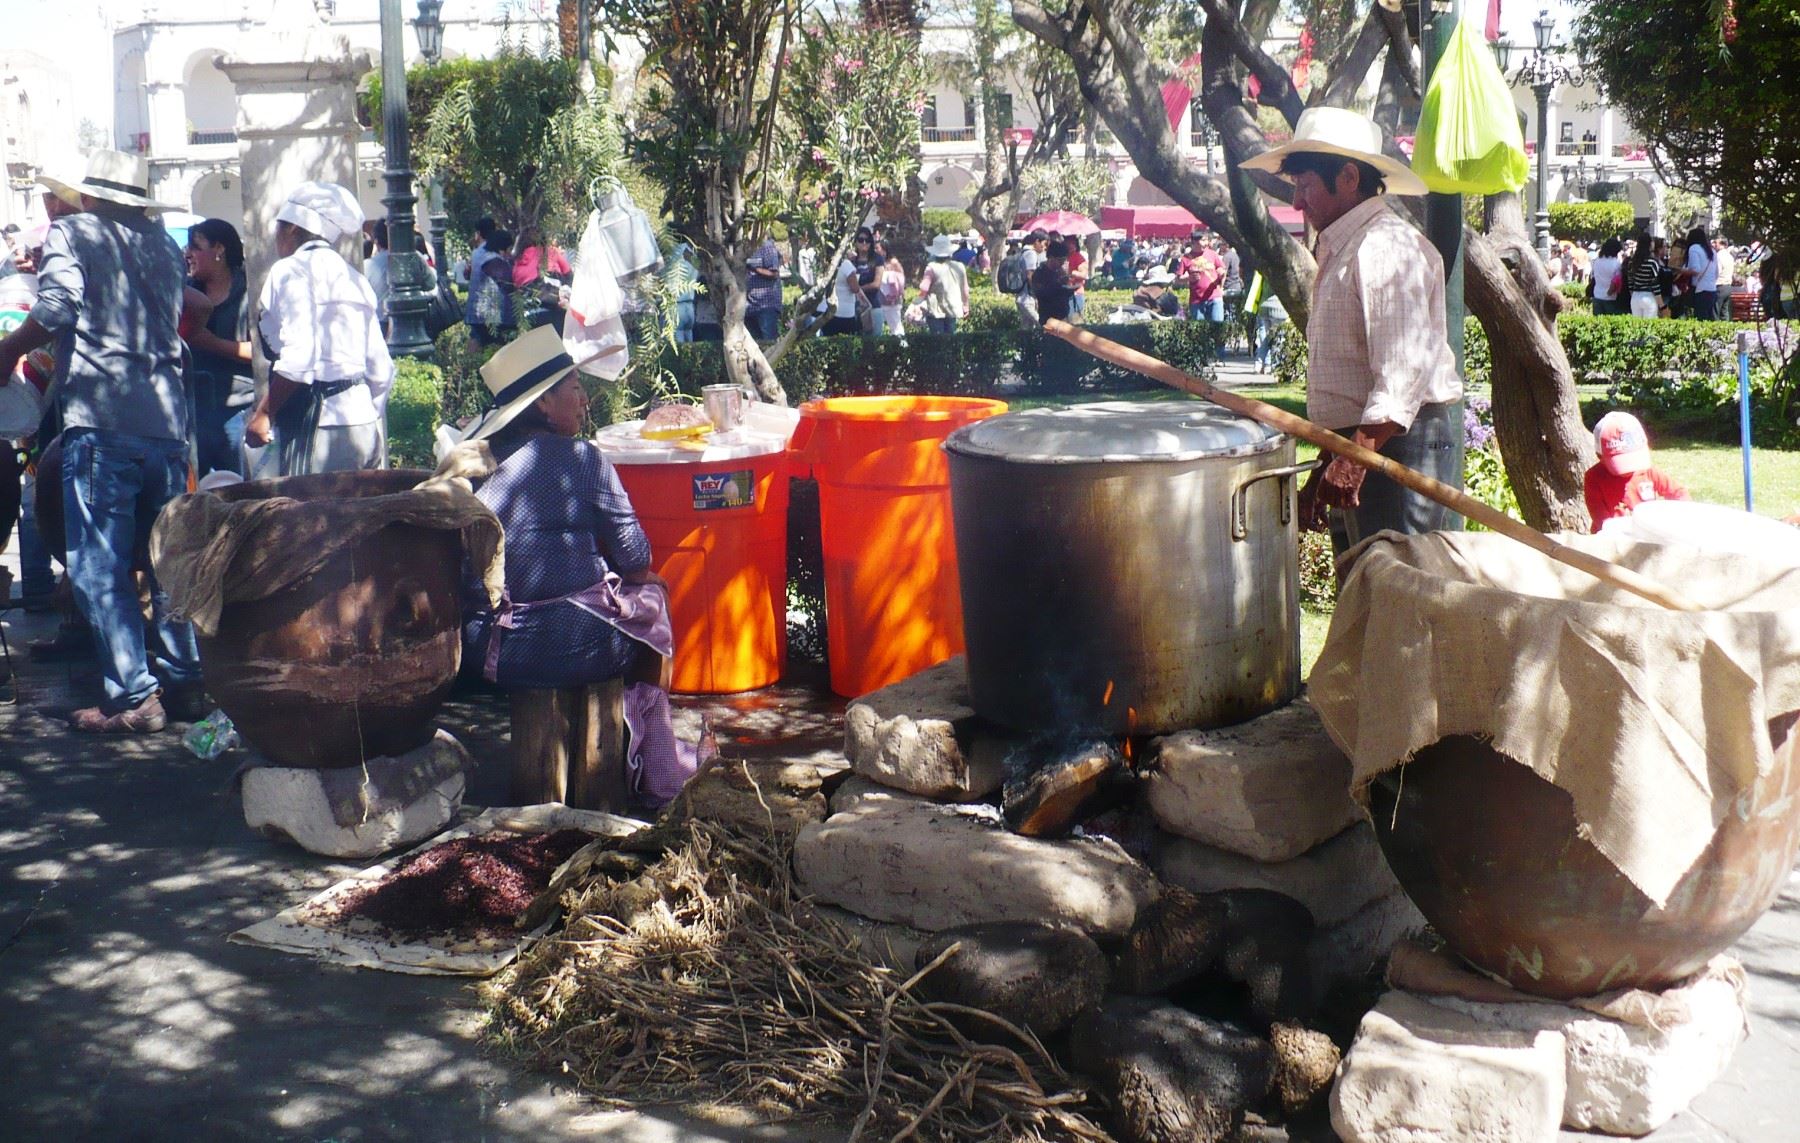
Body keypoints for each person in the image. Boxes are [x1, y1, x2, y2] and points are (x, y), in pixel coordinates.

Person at [0, 150, 202, 732]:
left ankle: (135, 696)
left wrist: (10, 350)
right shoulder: (164, 247)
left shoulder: (74, 232)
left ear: (90, 196)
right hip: (166, 422)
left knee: (100, 564)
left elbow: (59, 305)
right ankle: (185, 680)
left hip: (105, 417)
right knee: (166, 558)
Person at [458, 326, 691, 805]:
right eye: (575, 389)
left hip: (494, 649)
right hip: (578, 645)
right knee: (655, 596)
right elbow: (636, 558)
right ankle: (649, 760)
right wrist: (639, 580)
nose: (585, 400)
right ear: (543, 403)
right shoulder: (583, 459)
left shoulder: (474, 466)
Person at [1242, 107, 1464, 557]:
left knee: (1397, 596)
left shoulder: (1384, 246)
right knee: (1366, 596)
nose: (1298, 203)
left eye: (1304, 186)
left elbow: (1400, 376)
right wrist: (1327, 467)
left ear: (1347, 177)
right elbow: (1354, 386)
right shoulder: (1347, 246)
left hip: (1396, 448)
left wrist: (1353, 459)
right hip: (1364, 449)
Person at [247, 181, 394, 476]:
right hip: (362, 426)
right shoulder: (354, 278)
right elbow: (382, 370)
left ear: (291, 229)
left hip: (318, 428)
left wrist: (263, 414)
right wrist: (362, 411)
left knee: (312, 521)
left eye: (277, 228)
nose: (275, 238)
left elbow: (299, 360)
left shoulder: (288, 271)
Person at [183, 218, 254, 475]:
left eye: (195, 246)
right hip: (193, 410)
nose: (187, 253)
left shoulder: (250, 292)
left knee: (242, 491)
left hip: (240, 408)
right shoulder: (187, 293)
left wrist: (212, 344)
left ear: (219, 250)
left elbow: (262, 353)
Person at [1583, 411, 1688, 531]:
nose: (1629, 469)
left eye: (1632, 459)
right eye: (1622, 462)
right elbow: (1602, 520)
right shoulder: (1594, 478)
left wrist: (1678, 518)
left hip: (1647, 533)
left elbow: (1679, 493)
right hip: (1611, 539)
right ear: (1599, 455)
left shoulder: (1648, 471)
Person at [467, 228, 517, 347]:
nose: (510, 252)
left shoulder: (482, 257)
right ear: (502, 248)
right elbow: (507, 284)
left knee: (477, 339)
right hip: (491, 314)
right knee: (497, 345)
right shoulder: (494, 260)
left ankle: (468, 364)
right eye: (509, 249)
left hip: (478, 312)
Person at [918, 233, 970, 334]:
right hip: (953, 308)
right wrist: (966, 306)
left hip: (936, 309)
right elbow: (965, 289)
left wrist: (917, 302)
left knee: (938, 341)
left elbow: (924, 288)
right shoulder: (959, 266)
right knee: (951, 339)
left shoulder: (931, 267)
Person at [825, 228, 872, 336]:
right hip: (846, 313)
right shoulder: (846, 265)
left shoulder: (827, 265)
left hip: (830, 312)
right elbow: (855, 288)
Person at [1178, 232, 1225, 328]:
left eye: (1207, 240)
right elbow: (1177, 279)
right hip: (1196, 301)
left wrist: (1222, 275)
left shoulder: (1213, 254)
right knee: (1200, 332)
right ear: (1194, 242)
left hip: (1215, 298)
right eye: (1203, 240)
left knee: (1218, 329)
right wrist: (1188, 278)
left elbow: (1223, 270)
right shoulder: (1186, 258)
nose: (1206, 243)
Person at [744, 234, 784, 341]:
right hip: (750, 306)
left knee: (769, 343)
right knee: (753, 345)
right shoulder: (746, 249)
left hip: (766, 306)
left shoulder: (767, 247)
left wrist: (755, 268)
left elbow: (774, 273)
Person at [1029, 241, 1077, 325]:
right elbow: (1040, 293)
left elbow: (1062, 292)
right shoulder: (1040, 273)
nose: (1062, 263)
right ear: (1051, 257)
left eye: (1064, 260)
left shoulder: (1058, 272)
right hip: (1048, 318)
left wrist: (1070, 289)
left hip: (1063, 316)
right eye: (1060, 260)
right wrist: (1058, 283)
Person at [1681, 225, 1720, 321]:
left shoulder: (1694, 248)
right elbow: (1717, 272)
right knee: (1710, 320)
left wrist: (1681, 271)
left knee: (1700, 319)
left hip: (1700, 290)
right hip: (1712, 289)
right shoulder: (1712, 251)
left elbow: (1696, 270)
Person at [1623, 233, 1664, 318]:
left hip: (1635, 297)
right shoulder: (1652, 262)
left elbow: (1630, 283)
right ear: (1649, 244)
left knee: (1637, 327)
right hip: (1648, 297)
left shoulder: (1632, 262)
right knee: (1649, 327)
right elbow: (1655, 285)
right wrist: (1662, 305)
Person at [364, 219, 392, 329]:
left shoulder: (367, 266)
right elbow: (430, 283)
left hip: (379, 323)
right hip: (413, 323)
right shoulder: (414, 257)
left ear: (376, 241)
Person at [874, 244, 906, 335]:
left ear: (884, 249)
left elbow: (901, 278)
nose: (875, 250)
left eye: (877, 248)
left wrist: (900, 293)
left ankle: (903, 346)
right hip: (881, 299)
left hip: (893, 300)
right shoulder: (876, 262)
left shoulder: (893, 262)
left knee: (896, 326)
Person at [1589, 237, 1625, 316]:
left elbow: (1593, 277)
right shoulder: (1616, 264)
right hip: (1611, 298)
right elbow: (1616, 282)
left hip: (1597, 295)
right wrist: (1610, 292)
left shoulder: (1597, 261)